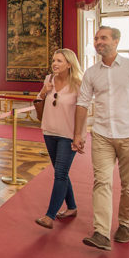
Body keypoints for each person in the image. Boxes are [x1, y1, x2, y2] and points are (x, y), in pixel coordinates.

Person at [72, 26, 129, 251]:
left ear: (116, 41)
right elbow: (82, 103)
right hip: (102, 135)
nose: (98, 42)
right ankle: (101, 232)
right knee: (102, 181)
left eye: (103, 38)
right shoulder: (92, 73)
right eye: (96, 38)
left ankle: (125, 224)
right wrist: (78, 134)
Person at [34, 48, 84, 229]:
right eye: (54, 60)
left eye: (59, 61)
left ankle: (50, 215)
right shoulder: (49, 80)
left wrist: (79, 135)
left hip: (68, 134)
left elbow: (82, 111)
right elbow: (38, 101)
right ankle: (72, 207)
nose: (55, 63)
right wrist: (43, 91)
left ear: (69, 64)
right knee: (61, 172)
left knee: (60, 173)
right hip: (49, 131)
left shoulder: (79, 83)